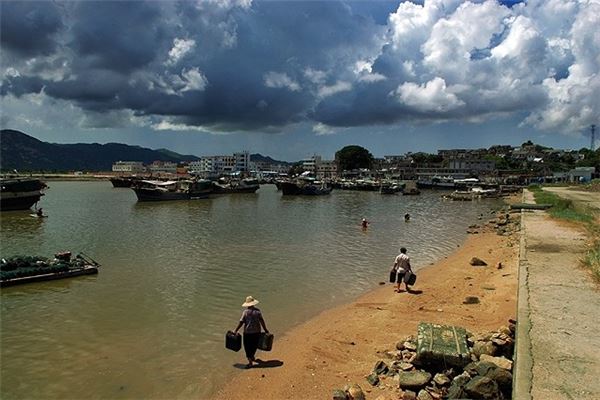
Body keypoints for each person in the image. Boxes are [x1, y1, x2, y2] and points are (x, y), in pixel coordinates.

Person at [233, 295, 269, 368]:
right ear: (253, 303)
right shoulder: (257, 311)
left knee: (247, 347)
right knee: (254, 345)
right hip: (257, 332)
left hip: (248, 333)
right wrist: (265, 329)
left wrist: (235, 330)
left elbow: (241, 322)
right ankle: (252, 357)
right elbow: (261, 321)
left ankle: (250, 362)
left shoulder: (245, 312)